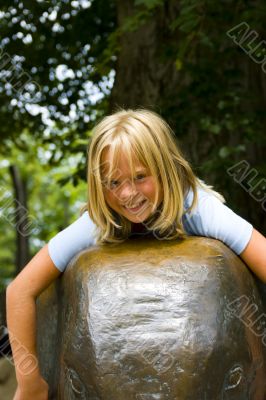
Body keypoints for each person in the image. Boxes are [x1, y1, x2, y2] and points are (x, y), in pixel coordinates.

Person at [6, 108, 266, 400]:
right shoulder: (100, 221)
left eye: (140, 177)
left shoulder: (197, 207)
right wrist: (30, 383)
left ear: (166, 168)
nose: (127, 194)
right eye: (114, 183)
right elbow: (19, 291)